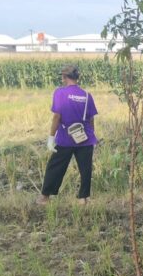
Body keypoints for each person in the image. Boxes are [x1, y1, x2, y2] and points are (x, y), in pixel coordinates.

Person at [37, 65, 98, 205]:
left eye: (62, 76)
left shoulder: (60, 93)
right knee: (85, 168)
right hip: (85, 138)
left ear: (64, 77)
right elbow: (91, 119)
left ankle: (45, 197)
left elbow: (57, 116)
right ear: (77, 78)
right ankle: (84, 199)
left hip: (65, 139)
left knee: (55, 166)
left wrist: (51, 138)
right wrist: (92, 137)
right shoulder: (87, 95)